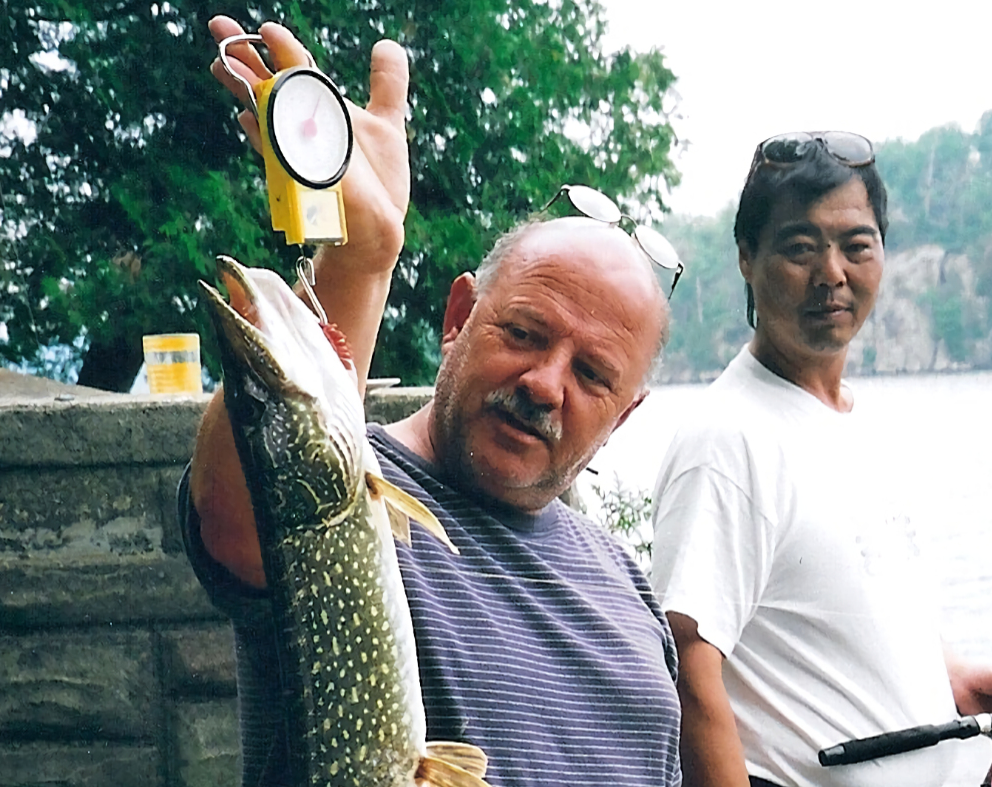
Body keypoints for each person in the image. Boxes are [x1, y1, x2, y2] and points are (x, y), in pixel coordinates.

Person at [184, 17, 681, 787]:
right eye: (523, 331)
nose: (546, 384)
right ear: (458, 319)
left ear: (622, 416)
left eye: (592, 375)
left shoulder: (624, 579)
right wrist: (360, 259)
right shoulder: (353, 499)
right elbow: (243, 511)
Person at [649, 132, 992, 787]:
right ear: (748, 259)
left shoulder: (851, 421)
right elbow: (690, 675)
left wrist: (948, 679)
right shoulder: (726, 439)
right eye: (800, 247)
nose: (831, 274)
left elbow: (832, 616)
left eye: (856, 245)